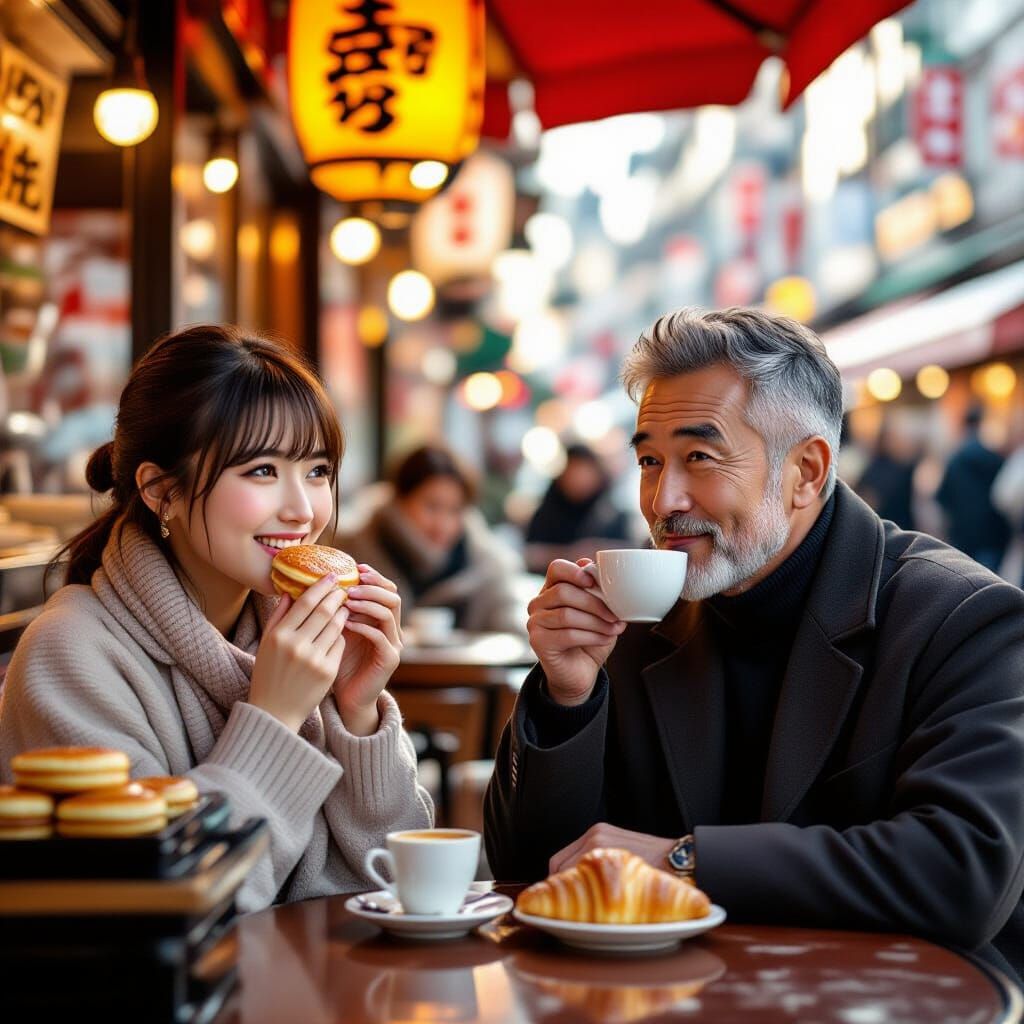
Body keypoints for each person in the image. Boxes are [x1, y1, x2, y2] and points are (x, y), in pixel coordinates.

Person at [485, 307, 1024, 978]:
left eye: (699, 457)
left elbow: (962, 874)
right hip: (670, 993)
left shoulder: (959, 617)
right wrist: (568, 698)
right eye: (650, 460)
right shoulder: (638, 617)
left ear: (806, 471)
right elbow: (532, 873)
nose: (661, 499)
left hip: (894, 998)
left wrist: (687, 861)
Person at [0, 325, 432, 911]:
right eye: (261, 471)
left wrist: (356, 714)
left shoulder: (292, 634)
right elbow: (157, 908)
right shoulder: (70, 655)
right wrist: (276, 718)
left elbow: (398, 885)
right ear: (160, 491)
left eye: (318, 471)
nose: (302, 510)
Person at [330, 444, 525, 635]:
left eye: (455, 510)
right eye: (432, 506)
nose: (444, 524)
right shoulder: (349, 557)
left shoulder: (487, 566)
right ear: (399, 500)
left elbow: (512, 627)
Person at [524, 443, 632, 574]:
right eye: (572, 470)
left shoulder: (612, 514)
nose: (578, 478)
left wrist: (598, 549)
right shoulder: (547, 513)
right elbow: (530, 555)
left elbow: (630, 550)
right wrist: (570, 553)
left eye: (584, 471)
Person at [935, 405, 1011, 572]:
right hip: (991, 535)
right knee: (994, 586)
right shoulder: (994, 459)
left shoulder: (954, 460)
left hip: (963, 537)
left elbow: (941, 496)